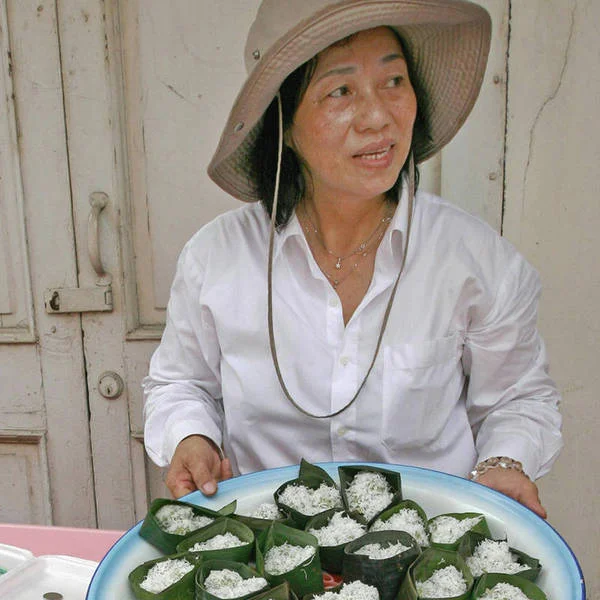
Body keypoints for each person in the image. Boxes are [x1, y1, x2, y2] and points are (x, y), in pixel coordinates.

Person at [143, 0, 562, 518]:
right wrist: (191, 436)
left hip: (428, 546)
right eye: (340, 91)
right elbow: (180, 383)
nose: (378, 117)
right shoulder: (217, 257)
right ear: (284, 123)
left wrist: (505, 460)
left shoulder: (475, 261)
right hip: (269, 545)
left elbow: (518, 398)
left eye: (394, 81)